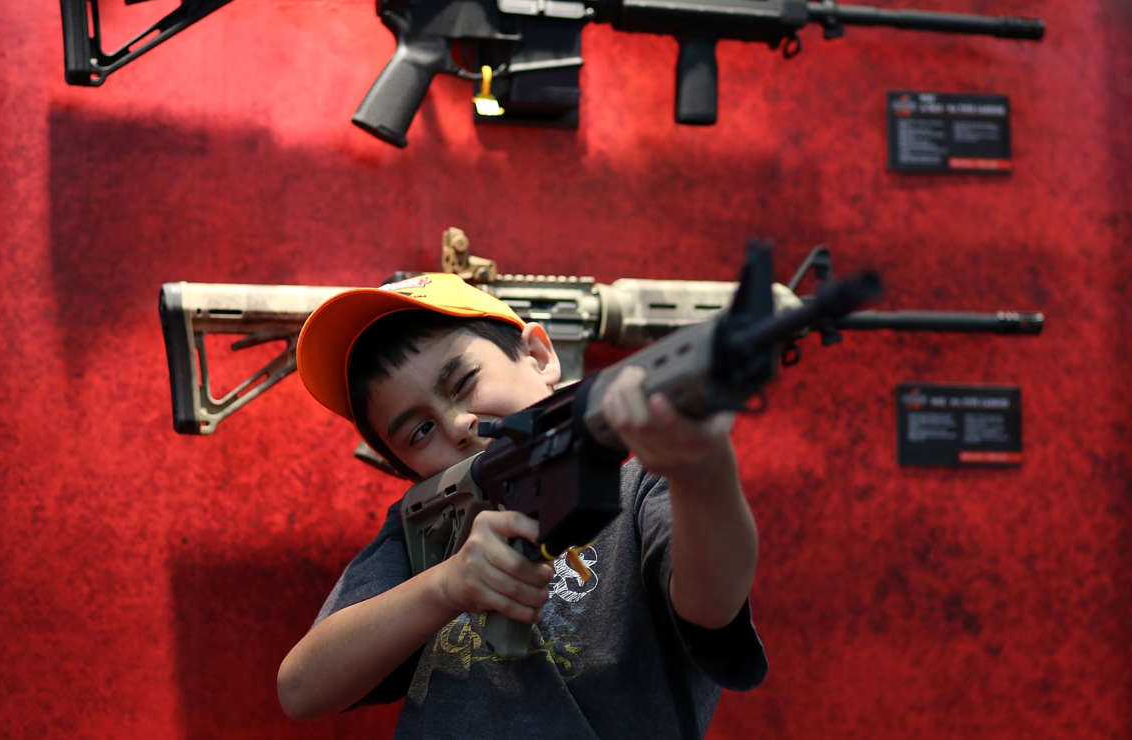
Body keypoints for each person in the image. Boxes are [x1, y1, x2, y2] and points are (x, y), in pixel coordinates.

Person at [277, 272, 767, 738]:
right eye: (420, 431)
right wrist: (445, 587)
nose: (457, 425)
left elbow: (712, 603)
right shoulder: (431, 535)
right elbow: (301, 689)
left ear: (538, 354)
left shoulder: (643, 486)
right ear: (405, 467)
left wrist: (703, 472)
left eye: (463, 382)